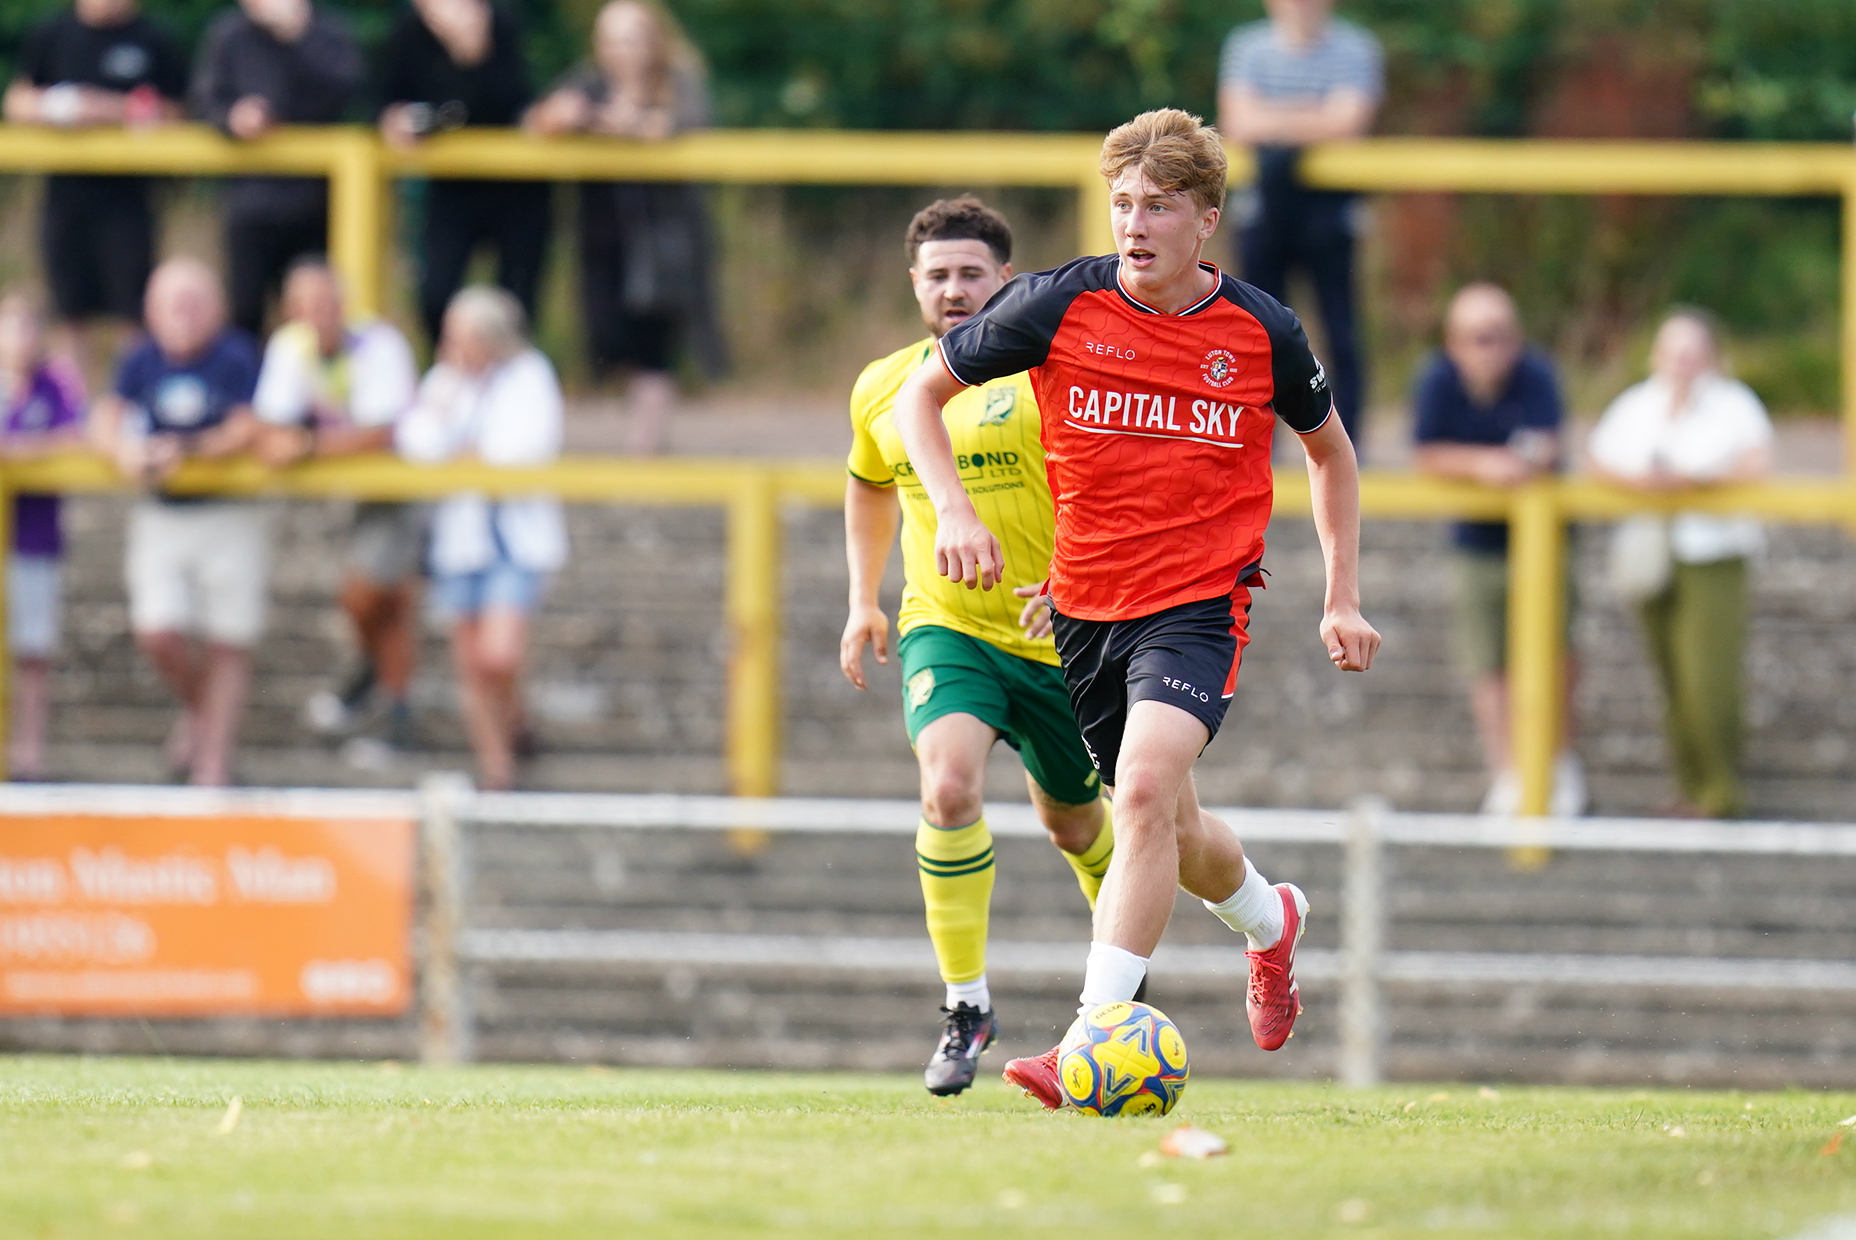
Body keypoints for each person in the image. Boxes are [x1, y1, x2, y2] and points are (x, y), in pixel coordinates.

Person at [895, 109, 1379, 1108]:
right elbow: (918, 398)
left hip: (1199, 605)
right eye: (1121, 203)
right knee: (1166, 823)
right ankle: (1269, 920)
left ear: (1206, 218)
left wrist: (1341, 595)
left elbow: (1329, 451)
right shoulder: (1056, 302)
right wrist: (953, 510)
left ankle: (1087, 1037)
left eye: (1156, 205)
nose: (1133, 222)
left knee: (1147, 792)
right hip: (1082, 610)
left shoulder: (1259, 330)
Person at [840, 196, 1118, 1097]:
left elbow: (1110, 486)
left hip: (1057, 639)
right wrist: (862, 600)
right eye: (937, 275)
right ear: (914, 285)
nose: (954, 289)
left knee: (1073, 823)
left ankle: (1120, 983)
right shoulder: (887, 383)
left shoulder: (1051, 371)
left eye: (971, 273)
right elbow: (869, 485)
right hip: (947, 624)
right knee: (948, 784)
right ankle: (966, 1005)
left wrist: (1077, 584)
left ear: (1006, 278)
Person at [89, 258, 266, 787]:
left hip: (228, 511)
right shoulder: (139, 358)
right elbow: (106, 417)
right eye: (174, 303)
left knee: (228, 638)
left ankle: (213, 765)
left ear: (217, 307)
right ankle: (203, 715)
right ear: (152, 310)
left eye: (195, 301)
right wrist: (124, 451)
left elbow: (248, 425)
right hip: (163, 514)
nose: (184, 314)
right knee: (158, 631)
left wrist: (183, 449)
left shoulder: (237, 354)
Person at [1588, 311, 1772, 819]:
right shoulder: (1639, 403)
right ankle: (1692, 786)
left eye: (1692, 353)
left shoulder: (1733, 404)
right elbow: (1599, 457)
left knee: (1708, 678)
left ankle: (1720, 790)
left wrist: (1692, 481)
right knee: (1670, 677)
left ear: (1711, 357)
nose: (1682, 364)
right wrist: (1645, 484)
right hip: (1654, 553)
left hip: (1713, 554)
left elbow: (1755, 462)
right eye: (1674, 352)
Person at [1413, 283, 1586, 816]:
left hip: (1546, 541)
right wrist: (1489, 465)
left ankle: (1558, 762)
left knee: (1557, 654)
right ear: (1454, 342)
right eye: (1477, 339)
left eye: (1499, 338)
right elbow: (1426, 453)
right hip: (1478, 543)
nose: (1490, 350)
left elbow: (1547, 444)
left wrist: (1498, 463)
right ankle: (1507, 769)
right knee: (1487, 662)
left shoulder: (1537, 373)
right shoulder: (1437, 380)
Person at [525, 0, 726, 455]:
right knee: (606, 332)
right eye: (611, 40)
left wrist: (612, 123)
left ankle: (646, 440)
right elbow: (535, 120)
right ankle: (640, 413)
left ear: (654, 40)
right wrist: (559, 116)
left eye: (631, 38)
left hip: (665, 232)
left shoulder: (679, 83)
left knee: (653, 331)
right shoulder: (587, 82)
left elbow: (679, 127)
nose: (621, 50)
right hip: (601, 230)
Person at [396, 287, 565, 791]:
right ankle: (497, 766)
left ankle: (515, 715)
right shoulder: (446, 382)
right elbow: (417, 441)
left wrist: (466, 452)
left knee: (500, 653)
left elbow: (526, 446)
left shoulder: (529, 375)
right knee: (470, 662)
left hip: (514, 538)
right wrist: (452, 423)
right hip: (459, 541)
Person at [250, 259, 422, 749]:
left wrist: (304, 446)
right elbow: (270, 423)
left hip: (394, 488)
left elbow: (380, 432)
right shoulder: (291, 348)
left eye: (328, 303)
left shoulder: (380, 345)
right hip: (344, 493)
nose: (320, 315)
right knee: (373, 600)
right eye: (307, 305)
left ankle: (384, 696)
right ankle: (386, 696)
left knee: (373, 595)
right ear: (290, 310)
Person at [1218, 0, 1382, 450]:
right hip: (1263, 211)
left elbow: (1349, 121)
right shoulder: (1247, 46)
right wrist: (1314, 116)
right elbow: (1237, 121)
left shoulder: (1356, 48)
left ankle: (1349, 448)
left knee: (1339, 331)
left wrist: (1273, 121)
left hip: (1330, 211)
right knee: (1255, 333)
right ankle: (1256, 449)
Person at [3, 0, 186, 385]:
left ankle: (131, 401)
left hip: (129, 199)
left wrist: (110, 110)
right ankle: (76, 413)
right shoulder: (52, 33)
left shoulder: (152, 38)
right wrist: (59, 107)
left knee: (132, 313)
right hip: (65, 196)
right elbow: (17, 101)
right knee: (69, 311)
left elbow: (177, 112)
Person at [380, 0, 551, 347]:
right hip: (451, 188)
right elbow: (385, 99)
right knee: (435, 295)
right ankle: (451, 369)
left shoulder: (502, 20)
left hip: (517, 188)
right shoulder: (410, 29)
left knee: (515, 302)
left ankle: (508, 380)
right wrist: (393, 119)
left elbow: (516, 104)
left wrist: (472, 53)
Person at [191, 0, 364, 337]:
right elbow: (202, 99)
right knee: (246, 310)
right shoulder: (229, 35)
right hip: (250, 202)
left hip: (316, 201)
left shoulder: (327, 33)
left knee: (315, 312)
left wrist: (297, 38)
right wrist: (233, 117)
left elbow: (344, 94)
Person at [0, 295, 85, 780]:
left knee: (32, 651)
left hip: (34, 541)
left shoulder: (54, 385)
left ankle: (28, 753)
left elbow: (75, 436)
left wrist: (17, 454)